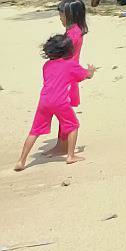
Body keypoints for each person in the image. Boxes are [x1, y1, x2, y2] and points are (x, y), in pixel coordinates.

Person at [15, 34, 96, 170]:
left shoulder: (46, 65)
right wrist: (91, 71)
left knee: (34, 131)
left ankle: (21, 161)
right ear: (68, 51)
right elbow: (86, 75)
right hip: (60, 102)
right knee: (73, 125)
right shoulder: (70, 65)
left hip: (44, 101)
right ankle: (70, 156)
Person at [55, 0, 89, 154]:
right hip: (66, 75)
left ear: (71, 15)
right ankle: (60, 144)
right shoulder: (73, 31)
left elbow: (63, 52)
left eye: (62, 15)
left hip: (67, 77)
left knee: (64, 110)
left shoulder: (73, 33)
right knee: (62, 109)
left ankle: (62, 146)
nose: (60, 18)